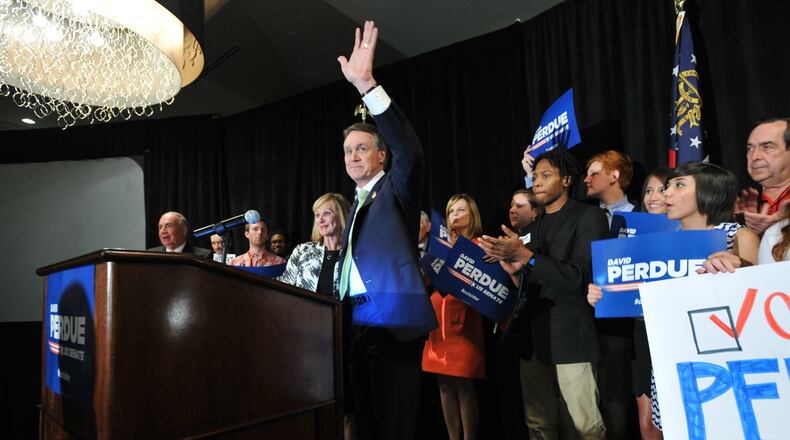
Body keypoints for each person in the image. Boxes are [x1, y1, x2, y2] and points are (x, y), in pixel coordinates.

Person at [336, 20, 434, 439]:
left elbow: (409, 150)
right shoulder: (353, 205)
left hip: (390, 322)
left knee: (394, 426)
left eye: (362, 148)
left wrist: (368, 87)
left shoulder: (397, 189)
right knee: (363, 424)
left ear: (380, 156)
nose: (353, 156)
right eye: (347, 151)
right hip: (348, 326)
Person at [480, 147, 609, 440]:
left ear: (566, 180)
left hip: (571, 338)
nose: (536, 181)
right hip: (533, 341)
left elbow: (579, 277)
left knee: (585, 427)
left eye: (545, 175)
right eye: (535, 176)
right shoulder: (534, 227)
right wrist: (513, 270)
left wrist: (527, 257)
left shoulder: (589, 218)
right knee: (539, 426)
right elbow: (527, 283)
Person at [587, 167, 670, 440]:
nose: (654, 197)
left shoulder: (694, 232)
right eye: (648, 190)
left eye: (662, 189)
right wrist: (601, 293)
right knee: (648, 425)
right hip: (642, 335)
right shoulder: (630, 233)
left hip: (677, 336)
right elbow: (616, 284)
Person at [422, 194, 485, 440]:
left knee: (464, 384)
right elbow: (426, 279)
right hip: (437, 319)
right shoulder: (440, 245)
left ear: (472, 215)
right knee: (444, 385)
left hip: (464, 321)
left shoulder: (480, 244)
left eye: (460, 210)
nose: (455, 216)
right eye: (451, 212)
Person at [278, 193, 350, 296]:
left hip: (343, 311)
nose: (320, 220)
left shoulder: (353, 253)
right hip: (306, 311)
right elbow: (283, 286)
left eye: (327, 213)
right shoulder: (302, 250)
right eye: (317, 215)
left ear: (342, 215)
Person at [736, 118, 790, 234]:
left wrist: (783, 227)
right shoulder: (745, 204)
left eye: (767, 147)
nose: (754, 156)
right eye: (750, 148)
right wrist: (752, 234)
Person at [584, 150, 636, 224]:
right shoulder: (583, 214)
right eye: (587, 175)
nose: (586, 180)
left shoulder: (640, 215)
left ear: (614, 176)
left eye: (594, 174)